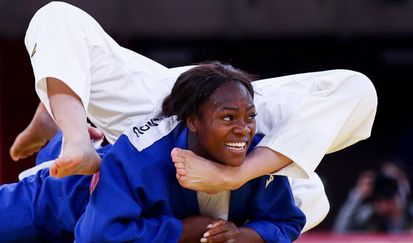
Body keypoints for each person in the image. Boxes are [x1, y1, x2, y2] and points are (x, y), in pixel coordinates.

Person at [9, 1, 376, 233]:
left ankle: (65, 103)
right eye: (235, 118)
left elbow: (357, 91)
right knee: (55, 16)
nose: (243, 126)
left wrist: (235, 176)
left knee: (315, 196)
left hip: (219, 121)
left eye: (245, 118)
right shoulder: (253, 111)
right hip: (153, 101)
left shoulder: (259, 118)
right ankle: (71, 127)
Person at [75, 62, 305, 242]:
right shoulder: (139, 156)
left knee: (312, 192)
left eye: (250, 117)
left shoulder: (257, 152)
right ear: (193, 121)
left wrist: (240, 236)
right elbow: (97, 236)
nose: (244, 130)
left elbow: (287, 221)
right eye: (228, 118)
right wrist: (181, 231)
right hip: (58, 201)